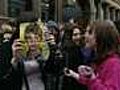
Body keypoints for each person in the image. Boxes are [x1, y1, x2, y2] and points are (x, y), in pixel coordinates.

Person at [64, 20, 120, 90]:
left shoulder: (113, 63)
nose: (85, 35)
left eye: (90, 33)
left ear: (101, 37)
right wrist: (76, 75)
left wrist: (92, 78)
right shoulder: (101, 60)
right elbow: (92, 83)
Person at [11, 23, 47, 90]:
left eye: (36, 37)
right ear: (25, 40)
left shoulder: (45, 55)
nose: (33, 41)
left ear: (40, 39)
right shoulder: (22, 56)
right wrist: (15, 58)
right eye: (29, 38)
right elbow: (14, 75)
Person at [62, 24, 87, 90]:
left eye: (79, 34)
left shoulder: (82, 48)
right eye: (75, 35)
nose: (78, 37)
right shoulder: (69, 51)